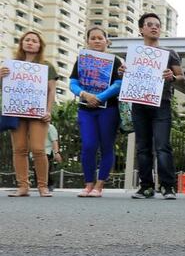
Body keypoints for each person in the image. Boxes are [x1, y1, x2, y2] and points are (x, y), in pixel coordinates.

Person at [130, 12, 184, 199]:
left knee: (163, 146)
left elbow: (182, 79)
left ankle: (167, 186)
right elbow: (128, 77)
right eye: (150, 24)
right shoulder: (134, 54)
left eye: (157, 25)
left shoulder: (170, 54)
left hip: (162, 103)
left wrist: (172, 77)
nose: (154, 27)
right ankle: (146, 186)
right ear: (141, 29)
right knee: (142, 147)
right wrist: (123, 71)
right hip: (139, 103)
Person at [0, 31, 57, 197]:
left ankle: (43, 186)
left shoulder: (47, 66)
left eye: (34, 41)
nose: (30, 43)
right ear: (21, 43)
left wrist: (48, 110)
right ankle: (23, 186)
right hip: (16, 112)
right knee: (19, 149)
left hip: (38, 113)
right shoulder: (10, 65)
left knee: (39, 149)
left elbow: (51, 90)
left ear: (40, 45)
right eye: (27, 40)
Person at [69, 27, 123, 198]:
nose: (97, 40)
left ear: (107, 41)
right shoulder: (81, 60)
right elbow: (73, 83)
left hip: (109, 109)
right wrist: (85, 95)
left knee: (107, 146)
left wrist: (99, 97)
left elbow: (119, 83)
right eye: (93, 38)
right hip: (86, 109)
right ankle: (88, 184)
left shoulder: (116, 61)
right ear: (87, 41)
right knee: (88, 145)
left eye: (101, 38)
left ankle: (99, 186)